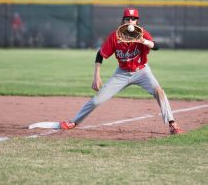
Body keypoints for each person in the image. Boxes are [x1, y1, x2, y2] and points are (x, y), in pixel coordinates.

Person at [59, 7, 183, 135]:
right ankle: (73, 122)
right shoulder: (115, 36)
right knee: (97, 100)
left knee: (159, 91)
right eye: (128, 19)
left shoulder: (142, 33)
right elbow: (100, 55)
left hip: (142, 71)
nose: (130, 21)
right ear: (123, 21)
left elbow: (156, 46)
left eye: (133, 19)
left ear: (137, 22)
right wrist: (96, 76)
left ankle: (172, 123)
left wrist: (144, 41)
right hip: (122, 73)